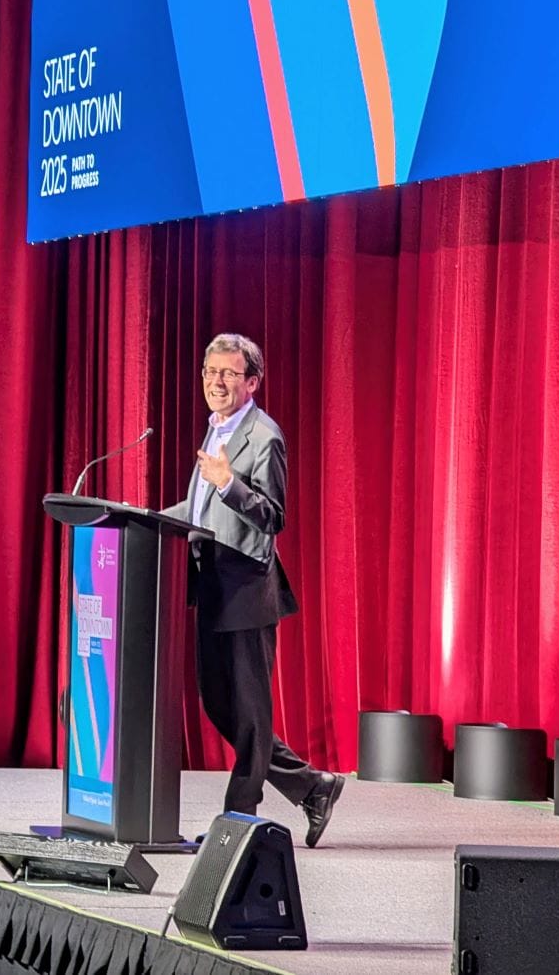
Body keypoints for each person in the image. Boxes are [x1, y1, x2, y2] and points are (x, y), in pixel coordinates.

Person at [164, 333, 344, 847]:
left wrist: (228, 483)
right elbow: (199, 510)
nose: (216, 382)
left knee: (250, 715)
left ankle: (238, 821)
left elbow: (273, 516)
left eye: (228, 373)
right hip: (211, 585)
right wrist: (146, 518)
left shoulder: (264, 437)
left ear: (252, 382)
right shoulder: (217, 427)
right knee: (220, 706)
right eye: (210, 372)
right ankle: (312, 786)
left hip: (245, 589)